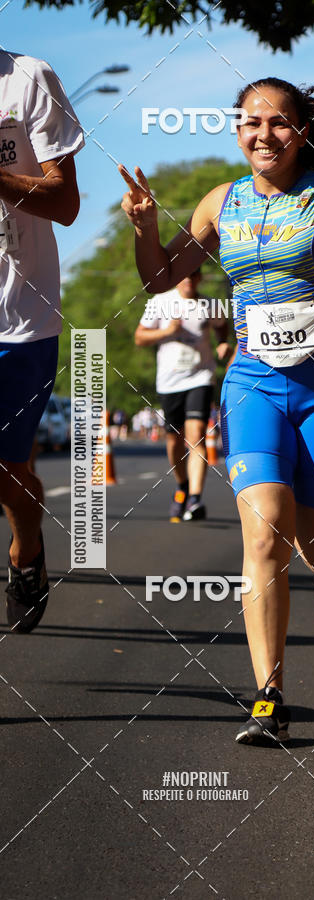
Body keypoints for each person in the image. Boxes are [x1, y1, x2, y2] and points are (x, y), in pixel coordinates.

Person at [120, 76, 314, 743]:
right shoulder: (221, 201)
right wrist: (146, 230)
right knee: (265, 533)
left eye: (279, 123)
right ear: (237, 129)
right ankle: (268, 697)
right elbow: (158, 281)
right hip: (252, 385)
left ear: (301, 130)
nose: (263, 133)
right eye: (250, 122)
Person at [0, 50, 83, 633]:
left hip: (18, 317)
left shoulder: (28, 78)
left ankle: (26, 549)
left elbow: (65, 202)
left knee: (7, 466)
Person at [135, 269, 231, 521]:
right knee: (174, 442)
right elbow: (140, 337)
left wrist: (223, 342)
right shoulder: (160, 302)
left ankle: (195, 500)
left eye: (194, 274)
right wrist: (166, 333)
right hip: (169, 382)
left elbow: (222, 327)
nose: (188, 278)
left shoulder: (210, 304)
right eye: (183, 274)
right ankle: (183, 485)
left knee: (196, 435)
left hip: (200, 377)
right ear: (176, 278)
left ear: (200, 277)